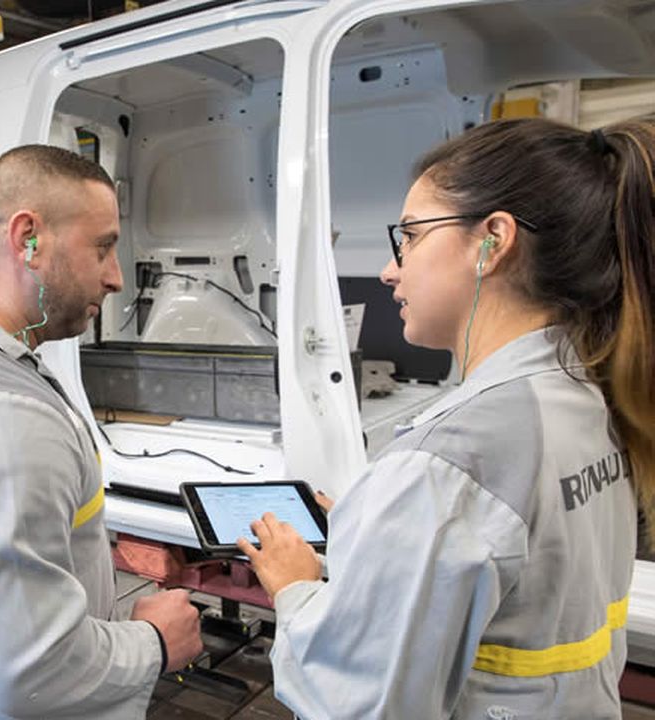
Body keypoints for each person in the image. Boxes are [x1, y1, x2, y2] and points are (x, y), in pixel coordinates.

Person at [239, 118, 655, 719]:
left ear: (492, 240)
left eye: (410, 235)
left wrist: (295, 586)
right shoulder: (586, 395)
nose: (389, 270)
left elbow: (352, 705)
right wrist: (379, 529)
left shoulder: (447, 459)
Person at [0, 145, 204, 719]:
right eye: (102, 247)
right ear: (27, 238)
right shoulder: (0, 417)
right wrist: (156, 643)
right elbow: (30, 672)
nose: (115, 277)